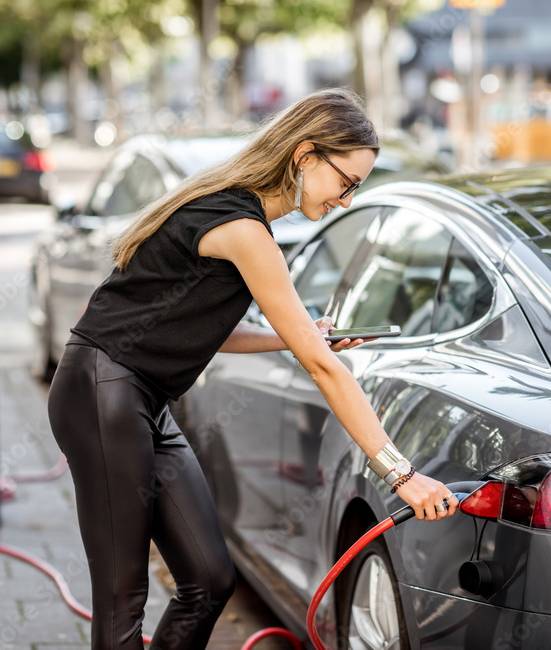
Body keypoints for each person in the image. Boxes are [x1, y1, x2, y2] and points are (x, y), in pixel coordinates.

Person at [46, 88, 459, 650]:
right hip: (103, 391)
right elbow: (325, 372)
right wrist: (402, 476)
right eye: (347, 182)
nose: (345, 199)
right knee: (123, 603)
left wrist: (298, 338)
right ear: (305, 155)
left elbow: (198, 330)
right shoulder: (244, 229)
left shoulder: (240, 216)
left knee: (209, 579)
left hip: (141, 398)